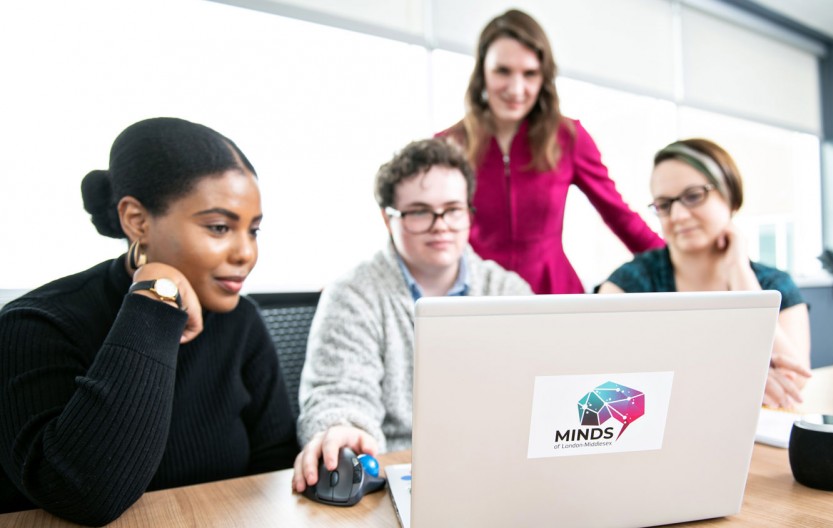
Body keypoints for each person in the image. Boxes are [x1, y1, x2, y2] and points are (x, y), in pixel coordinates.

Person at [0, 117, 298, 524]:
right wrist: (156, 296)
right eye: (219, 227)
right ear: (137, 221)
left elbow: (277, 463)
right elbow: (86, 494)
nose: (246, 253)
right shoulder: (33, 324)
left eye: (254, 231)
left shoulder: (241, 321)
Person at [292, 138, 531, 494]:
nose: (441, 225)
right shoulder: (352, 295)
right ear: (387, 218)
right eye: (420, 211)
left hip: (500, 472)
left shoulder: (509, 291)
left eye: (453, 209)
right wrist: (344, 430)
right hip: (396, 476)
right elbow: (339, 395)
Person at [437, 8, 664, 295]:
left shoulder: (569, 138)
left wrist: (681, 263)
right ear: (482, 71)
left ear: (543, 78)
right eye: (503, 71)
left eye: (530, 73)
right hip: (479, 297)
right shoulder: (448, 146)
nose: (516, 88)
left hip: (555, 295)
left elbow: (621, 217)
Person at [598, 138, 811, 408]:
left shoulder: (774, 284)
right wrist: (737, 380)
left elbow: (795, 380)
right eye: (664, 204)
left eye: (693, 196)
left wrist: (740, 273)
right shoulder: (629, 283)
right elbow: (605, 381)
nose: (678, 215)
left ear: (730, 197)